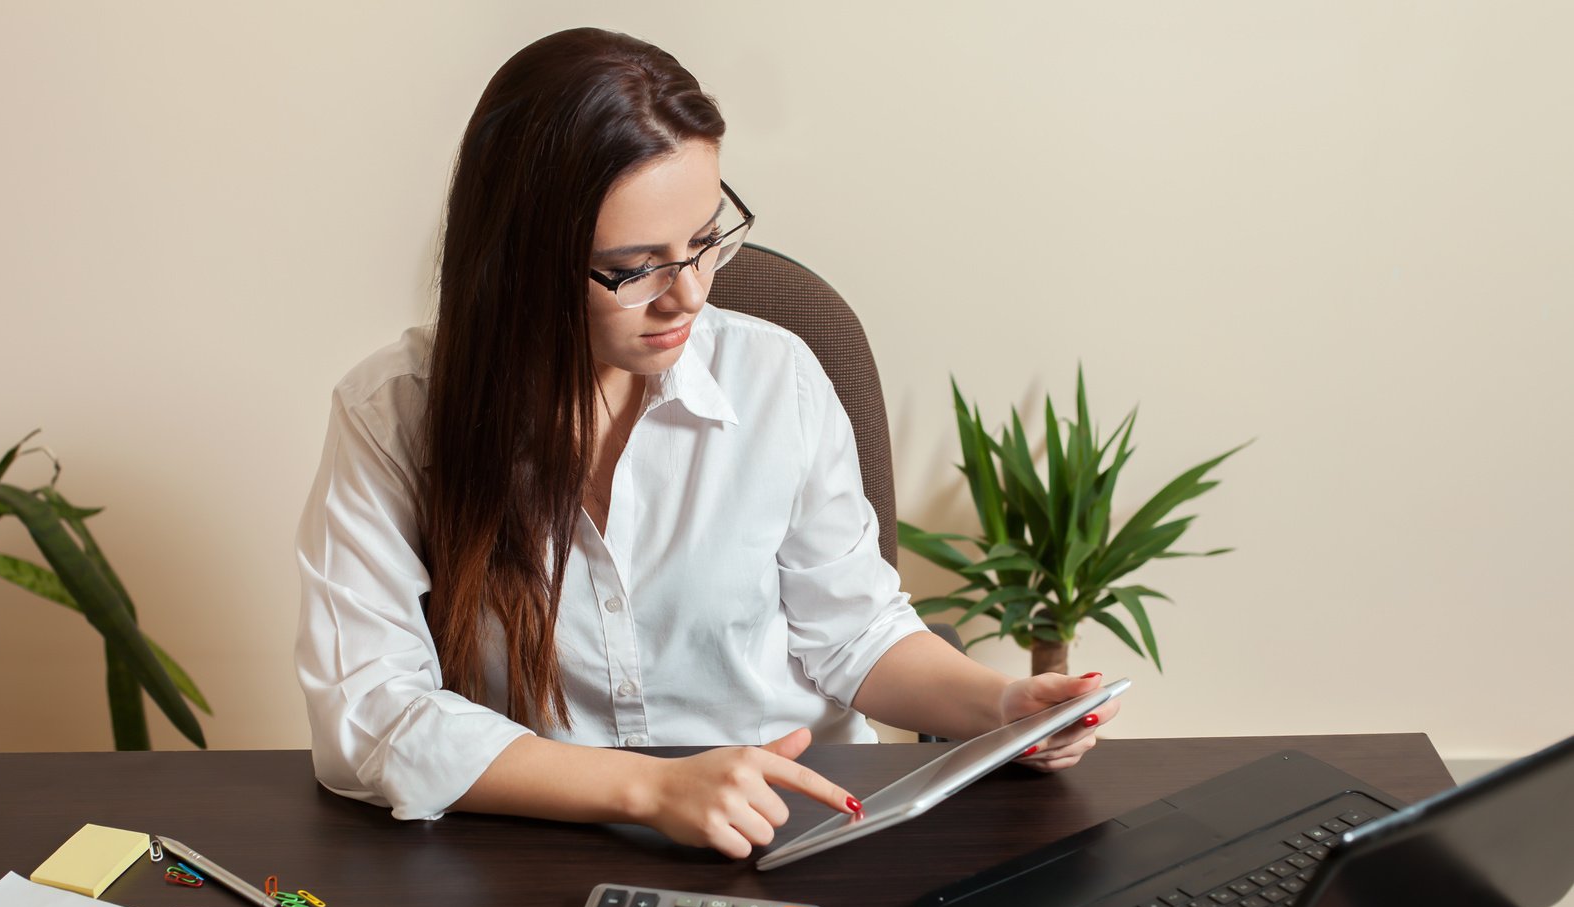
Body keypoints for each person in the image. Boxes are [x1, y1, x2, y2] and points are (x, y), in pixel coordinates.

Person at [296, 27, 1121, 859]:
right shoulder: (398, 413)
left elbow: (854, 632)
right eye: (634, 267)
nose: (687, 295)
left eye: (703, 241)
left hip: (803, 825)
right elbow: (370, 713)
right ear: (518, 263)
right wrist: (652, 788)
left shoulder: (776, 376)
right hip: (553, 848)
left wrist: (1003, 704)